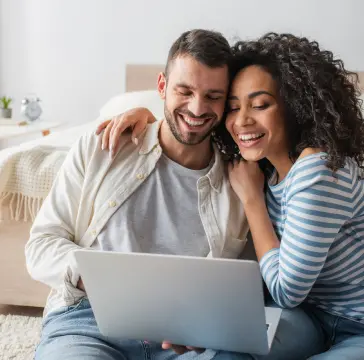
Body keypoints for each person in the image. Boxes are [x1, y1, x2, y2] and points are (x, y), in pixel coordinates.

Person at [26, 30, 323, 360]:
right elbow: (40, 245)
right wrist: (95, 277)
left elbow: (261, 282)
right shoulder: (101, 147)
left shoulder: (245, 177)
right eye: (185, 91)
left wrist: (210, 323)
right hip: (89, 321)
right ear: (162, 87)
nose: (197, 109)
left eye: (213, 96)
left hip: (189, 335)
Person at [99, 33, 364, 359]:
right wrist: (150, 117)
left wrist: (252, 200)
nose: (242, 121)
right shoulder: (260, 163)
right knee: (223, 348)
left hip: (354, 324)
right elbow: (190, 123)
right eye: (233, 106)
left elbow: (286, 290)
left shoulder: (317, 169)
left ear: (295, 105)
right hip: (308, 318)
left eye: (260, 104)